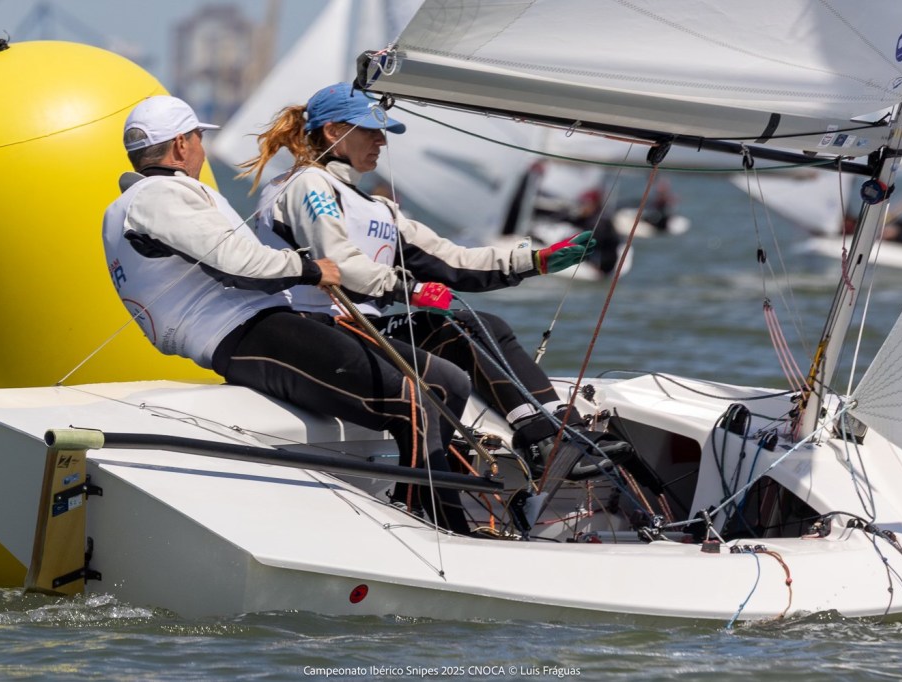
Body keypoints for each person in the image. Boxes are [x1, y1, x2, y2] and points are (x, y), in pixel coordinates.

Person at [239, 83, 659, 491]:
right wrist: (408, 289)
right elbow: (339, 262)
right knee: (454, 354)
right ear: (333, 132)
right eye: (370, 131)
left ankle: (553, 436)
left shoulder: (380, 208)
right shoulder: (307, 184)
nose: (381, 141)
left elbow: (453, 260)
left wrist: (534, 261)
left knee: (482, 326)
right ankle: (479, 472)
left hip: (362, 327)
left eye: (382, 133)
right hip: (312, 329)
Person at [101, 95, 474, 534]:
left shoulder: (138, 203)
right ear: (182, 144)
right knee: (416, 401)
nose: (201, 148)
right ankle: (443, 530)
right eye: (198, 137)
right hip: (249, 334)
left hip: (263, 329)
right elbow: (236, 264)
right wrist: (311, 269)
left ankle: (421, 506)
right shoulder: (160, 195)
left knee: (448, 383)